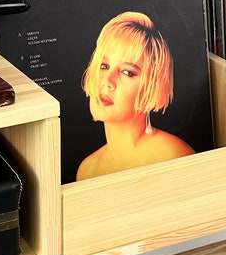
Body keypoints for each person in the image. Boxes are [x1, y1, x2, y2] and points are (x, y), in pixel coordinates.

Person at [76, 11, 195, 180]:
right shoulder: (88, 170)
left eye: (127, 72)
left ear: (153, 85)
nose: (107, 81)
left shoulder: (173, 158)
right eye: (104, 66)